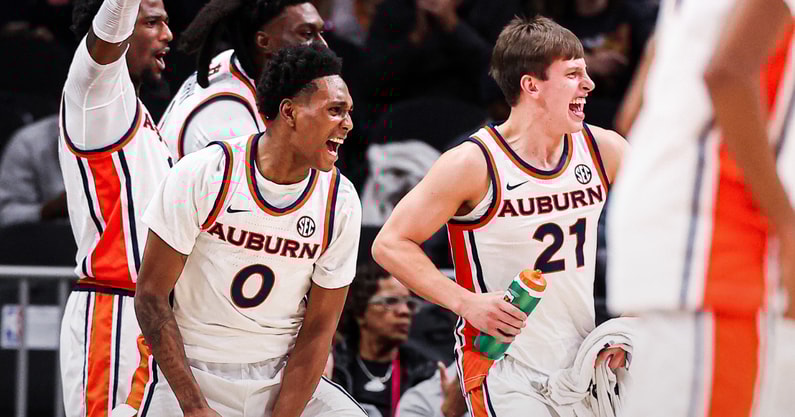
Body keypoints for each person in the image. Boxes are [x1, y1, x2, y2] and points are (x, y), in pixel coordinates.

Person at [372, 16, 628, 417]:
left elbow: (657, 231)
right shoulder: (473, 163)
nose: (589, 85)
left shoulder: (604, 149)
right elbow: (389, 244)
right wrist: (465, 303)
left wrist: (630, 320)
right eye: (575, 74)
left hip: (581, 358)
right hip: (502, 363)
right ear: (532, 85)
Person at [134, 44, 364, 417]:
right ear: (289, 112)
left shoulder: (341, 200)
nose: (348, 124)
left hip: (279, 376)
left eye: (349, 112)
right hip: (190, 375)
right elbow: (150, 295)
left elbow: (319, 330)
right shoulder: (206, 172)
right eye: (335, 111)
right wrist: (194, 407)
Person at [608, 0, 795, 416]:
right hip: (714, 240)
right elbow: (727, 75)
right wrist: (786, 225)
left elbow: (631, 112)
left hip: (676, 231)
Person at [57, 0, 172, 415]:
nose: (167, 35)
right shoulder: (93, 91)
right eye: (153, 22)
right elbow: (110, 25)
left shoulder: (141, 115)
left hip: (155, 315)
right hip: (114, 311)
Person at [158, 0, 326, 159]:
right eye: (307, 34)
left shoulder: (234, 61)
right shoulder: (229, 119)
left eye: (321, 33)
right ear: (263, 41)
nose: (323, 46)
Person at [332, 262, 437, 417]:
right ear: (361, 311)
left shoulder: (424, 370)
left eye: (409, 304)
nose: (404, 311)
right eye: (391, 301)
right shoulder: (333, 365)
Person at [0, 115, 66, 227]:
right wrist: (48, 210)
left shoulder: (104, 138)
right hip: (47, 237)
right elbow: (5, 214)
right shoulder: (29, 143)